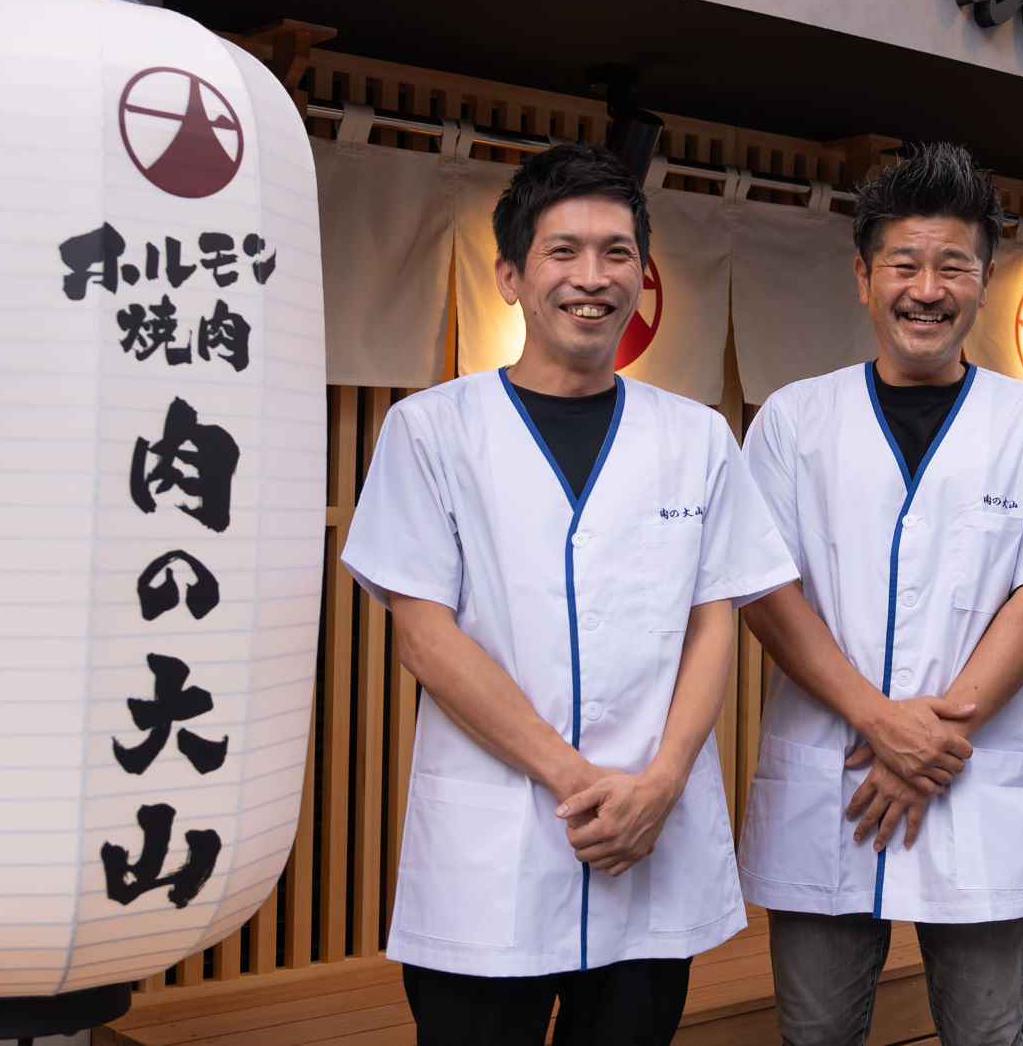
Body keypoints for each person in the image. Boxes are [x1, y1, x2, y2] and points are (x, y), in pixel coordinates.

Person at [341, 142, 797, 1046]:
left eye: (617, 253)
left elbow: (714, 624)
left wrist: (660, 786)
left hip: (651, 846)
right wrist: (581, 784)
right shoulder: (431, 432)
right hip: (494, 862)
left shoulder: (698, 439)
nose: (592, 277)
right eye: (563, 251)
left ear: (642, 276)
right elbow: (424, 638)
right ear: (510, 276)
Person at [736, 142, 1023, 1046]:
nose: (927, 289)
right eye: (904, 264)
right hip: (832, 781)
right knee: (815, 1035)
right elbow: (767, 594)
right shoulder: (793, 420)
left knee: (987, 1036)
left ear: (985, 283)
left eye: (953, 266)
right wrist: (880, 721)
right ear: (864, 277)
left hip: (970, 779)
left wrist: (927, 742)